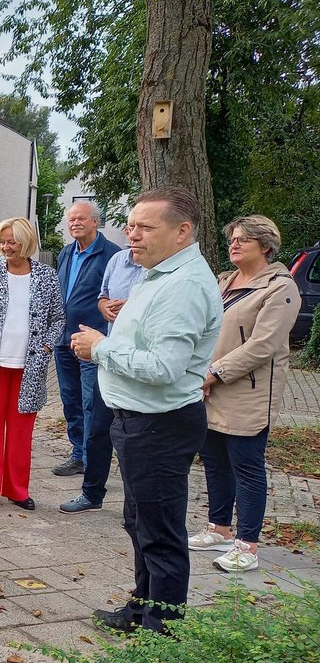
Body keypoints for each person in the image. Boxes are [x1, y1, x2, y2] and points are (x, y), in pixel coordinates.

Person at [71, 186, 222, 634]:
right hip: (139, 420)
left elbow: (163, 367)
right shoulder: (158, 275)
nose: (131, 235)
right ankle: (141, 609)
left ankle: (162, 632)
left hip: (159, 424)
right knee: (140, 521)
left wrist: (99, 349)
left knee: (160, 531)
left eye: (144, 227)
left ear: (182, 231)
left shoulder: (184, 286)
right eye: (130, 225)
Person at [189, 215, 301, 572]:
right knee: (215, 462)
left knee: (247, 467)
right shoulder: (224, 282)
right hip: (209, 388)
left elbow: (262, 345)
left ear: (265, 246)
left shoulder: (280, 288)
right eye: (232, 240)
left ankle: (247, 545)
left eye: (243, 240)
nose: (233, 245)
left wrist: (215, 372)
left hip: (245, 392)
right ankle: (219, 528)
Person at [0, 218, 63, 511]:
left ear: (26, 243)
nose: (5, 247)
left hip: (29, 366)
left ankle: (17, 489)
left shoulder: (46, 276)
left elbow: (59, 319)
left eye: (11, 242)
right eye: (2, 242)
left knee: (20, 432)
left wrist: (46, 345)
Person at [53, 201, 120, 478]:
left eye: (81, 218)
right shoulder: (65, 253)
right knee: (71, 400)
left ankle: (94, 459)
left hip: (91, 341)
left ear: (95, 222)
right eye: (71, 220)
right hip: (63, 339)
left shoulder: (112, 256)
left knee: (93, 403)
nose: (75, 223)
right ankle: (78, 453)